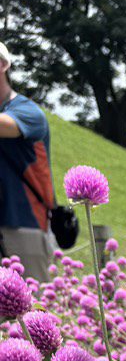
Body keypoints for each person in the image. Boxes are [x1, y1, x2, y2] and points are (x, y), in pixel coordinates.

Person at [0, 40, 57, 280]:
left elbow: (5, 126)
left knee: (33, 311)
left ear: (3, 65)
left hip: (25, 226)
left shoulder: (28, 112)